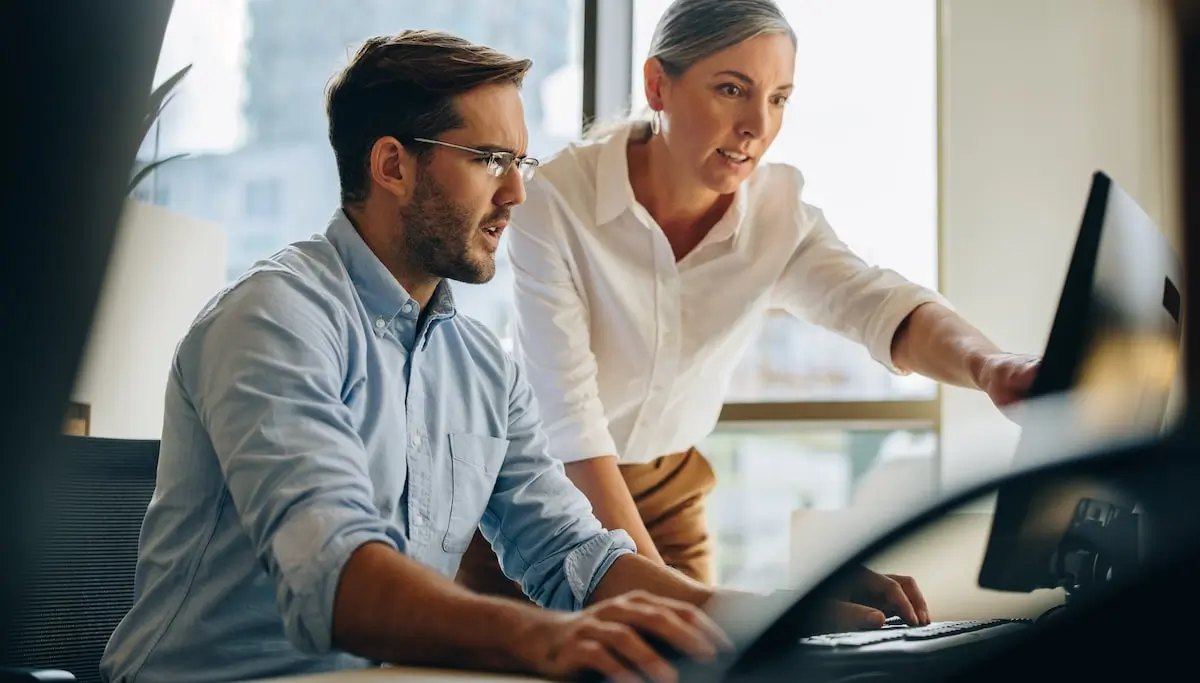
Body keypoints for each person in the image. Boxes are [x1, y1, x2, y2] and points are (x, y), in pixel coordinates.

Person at [98, 29, 925, 683]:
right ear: (392, 164)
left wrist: (778, 613)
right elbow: (338, 576)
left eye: (520, 162)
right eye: (490, 160)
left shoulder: (481, 370)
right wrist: (549, 641)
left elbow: (584, 558)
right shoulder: (276, 318)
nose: (518, 193)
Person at [455, 0, 1041, 595]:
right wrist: (700, 609)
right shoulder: (552, 200)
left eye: (779, 97)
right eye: (732, 90)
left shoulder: (775, 215)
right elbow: (571, 428)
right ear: (658, 85)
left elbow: (879, 306)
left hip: (669, 491)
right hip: (540, 497)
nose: (758, 126)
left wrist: (988, 366)